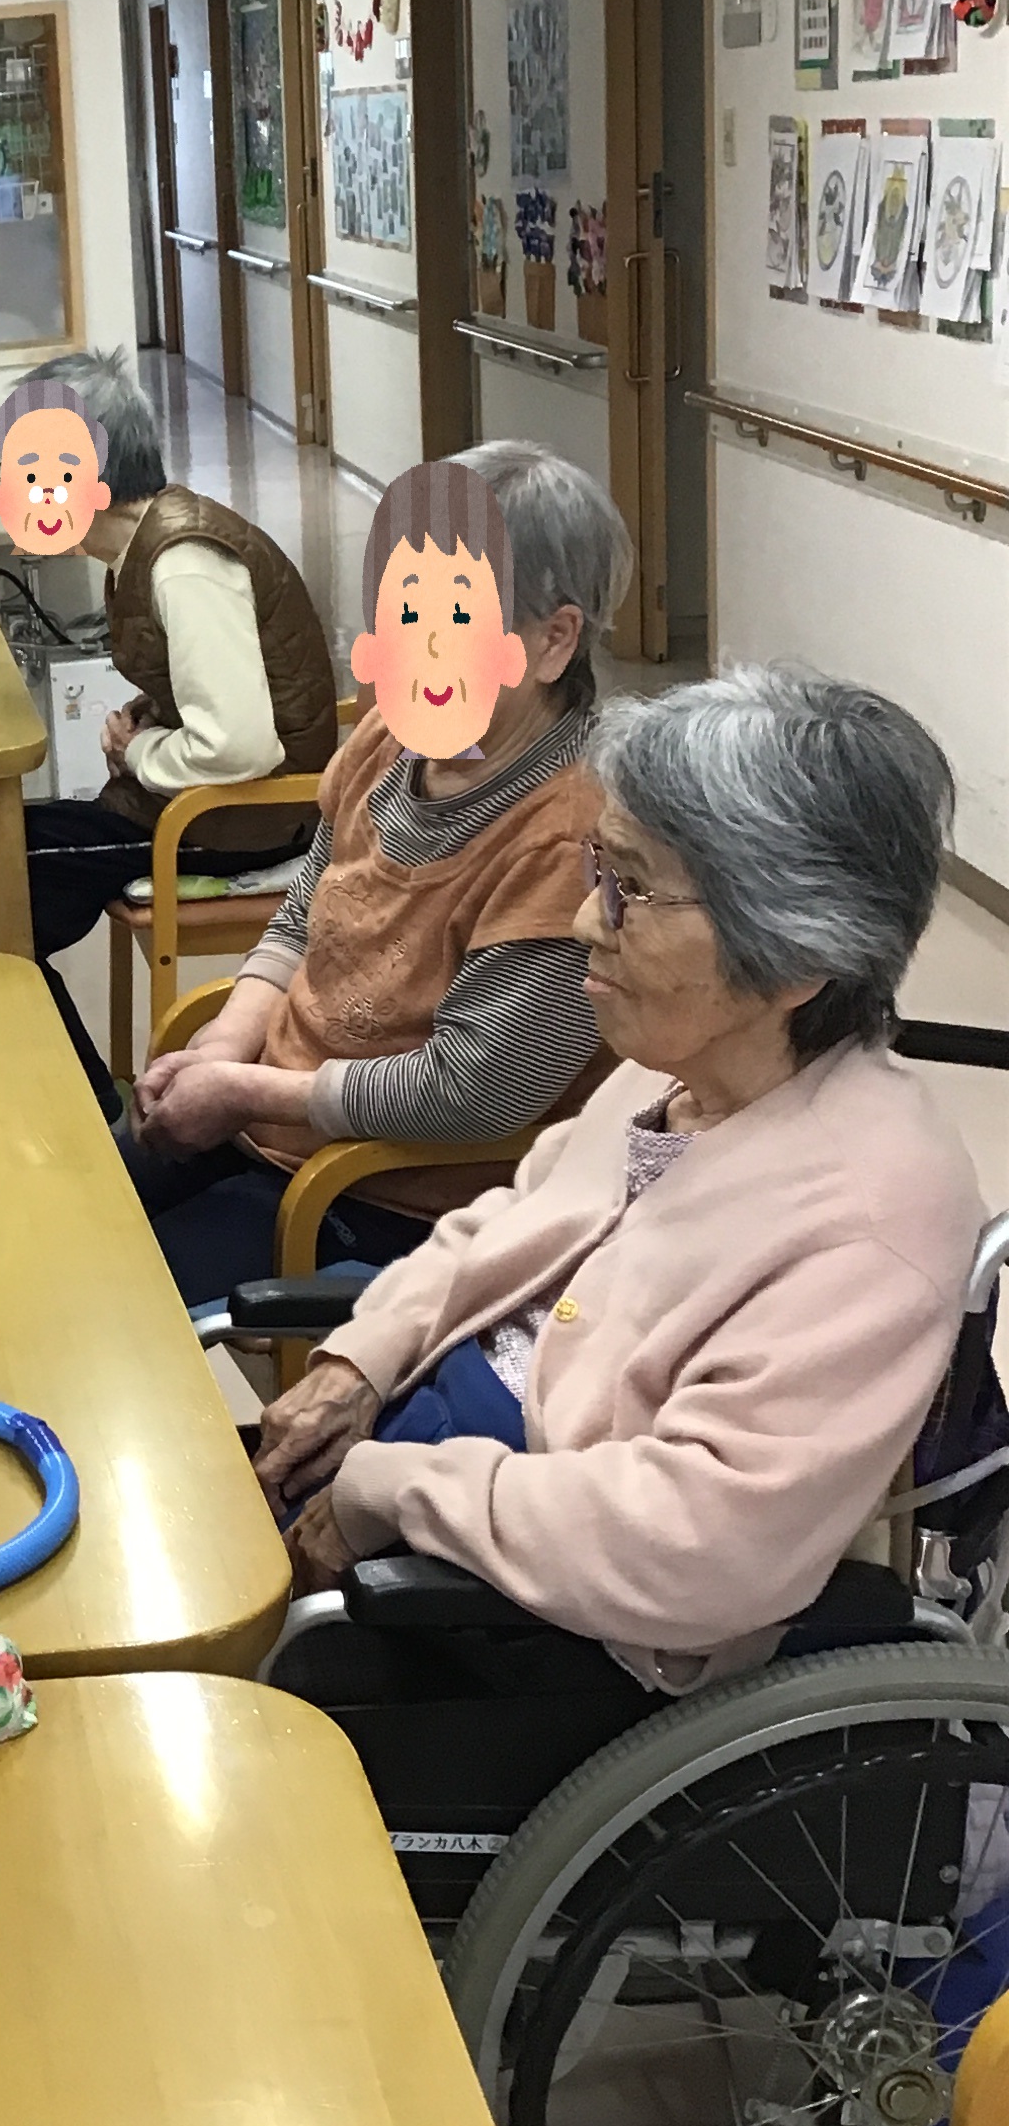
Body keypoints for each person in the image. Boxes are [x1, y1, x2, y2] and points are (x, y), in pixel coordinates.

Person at [254, 665, 982, 1695]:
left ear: (792, 959)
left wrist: (392, 1490)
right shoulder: (672, 1066)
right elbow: (508, 1220)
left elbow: (694, 1543)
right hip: (434, 1458)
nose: (587, 921)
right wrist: (361, 1362)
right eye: (603, 869)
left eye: (631, 890)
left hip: (543, 1629)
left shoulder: (873, 1218)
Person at [119, 441, 634, 1303]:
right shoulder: (395, 735)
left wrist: (246, 1091)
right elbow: (306, 910)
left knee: (122, 1303)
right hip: (275, 1115)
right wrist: (228, 1038)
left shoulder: (570, 837)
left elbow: (472, 1094)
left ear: (553, 641)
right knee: (66, 1215)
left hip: (393, 1188)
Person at [0, 351, 336, 1108]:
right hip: (204, 803)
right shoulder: (142, 544)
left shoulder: (182, 562)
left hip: (247, 819)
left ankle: (73, 1102)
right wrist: (153, 720)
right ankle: (56, 1082)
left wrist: (141, 750)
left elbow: (241, 745)